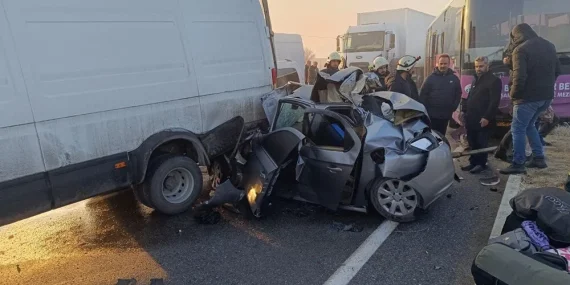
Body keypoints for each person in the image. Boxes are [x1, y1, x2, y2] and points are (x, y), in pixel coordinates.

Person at [500, 23, 561, 174]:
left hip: (527, 98)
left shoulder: (520, 49)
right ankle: (539, 159)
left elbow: (519, 77)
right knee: (530, 125)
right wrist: (546, 87)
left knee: (518, 129)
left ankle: (518, 163)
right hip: (546, 97)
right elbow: (557, 70)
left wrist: (514, 96)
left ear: (516, 36)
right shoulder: (549, 45)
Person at [460, 56, 501, 174]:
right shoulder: (475, 79)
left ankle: (481, 164)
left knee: (481, 142)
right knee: (472, 141)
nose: (478, 69)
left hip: (483, 118)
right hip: (471, 117)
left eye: (481, 66)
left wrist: (487, 117)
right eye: (476, 66)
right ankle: (473, 162)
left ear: (487, 66)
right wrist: (464, 111)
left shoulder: (494, 81)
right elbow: (469, 97)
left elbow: (494, 102)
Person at [419, 54, 462, 136]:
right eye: (441, 63)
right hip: (431, 116)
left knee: (441, 136)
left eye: (445, 64)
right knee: (432, 137)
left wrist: (453, 107)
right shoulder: (430, 79)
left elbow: (458, 93)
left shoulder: (454, 79)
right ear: (437, 64)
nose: (443, 66)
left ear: (449, 64)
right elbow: (423, 95)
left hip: (445, 116)